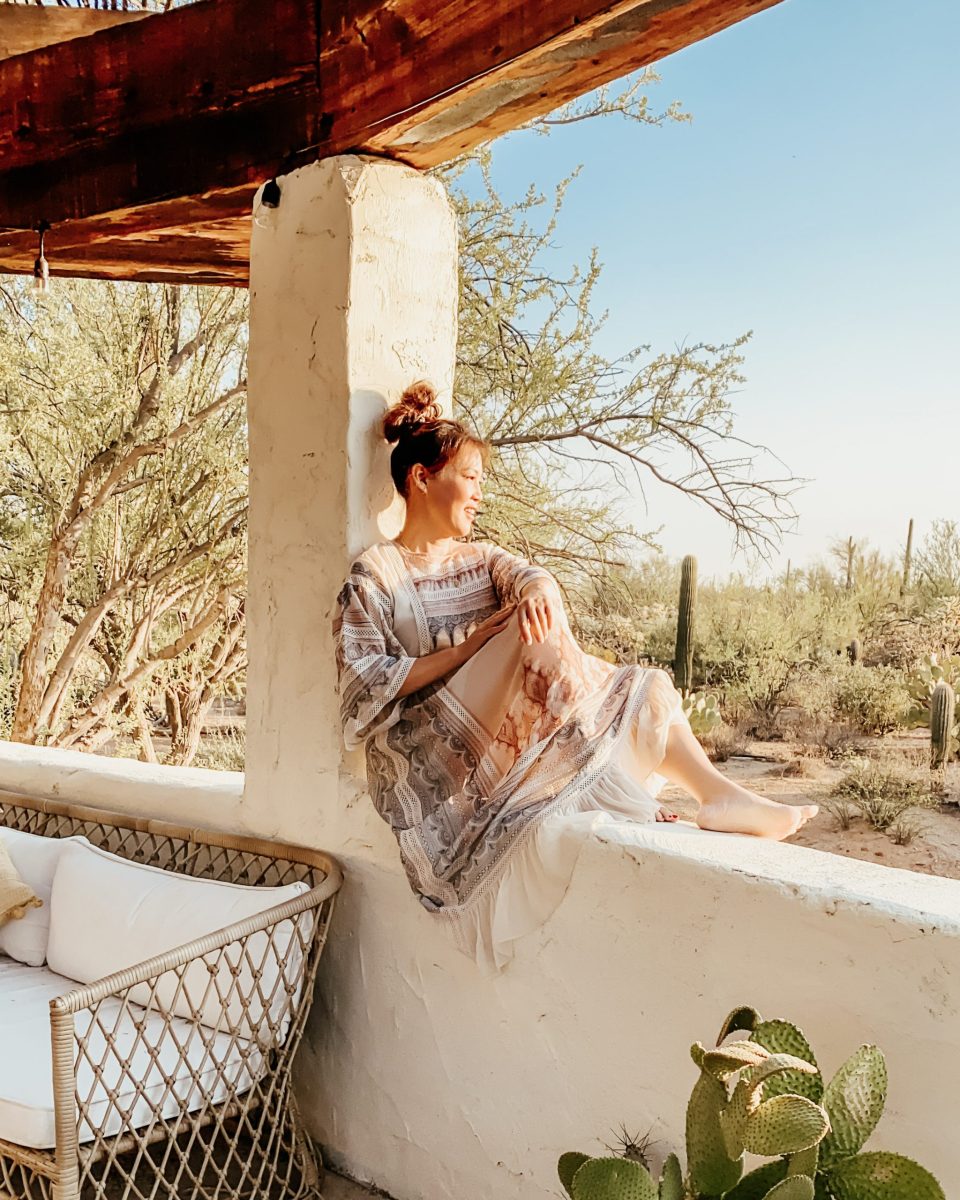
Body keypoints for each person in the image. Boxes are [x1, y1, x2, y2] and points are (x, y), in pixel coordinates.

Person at [333, 382, 817, 969]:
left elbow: (536, 577)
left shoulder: (482, 560)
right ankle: (629, 774)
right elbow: (363, 680)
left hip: (489, 731)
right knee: (519, 627)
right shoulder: (375, 572)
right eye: (472, 477)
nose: (481, 493)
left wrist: (545, 611)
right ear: (422, 479)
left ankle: (715, 793)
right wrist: (470, 650)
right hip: (427, 755)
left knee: (600, 655)